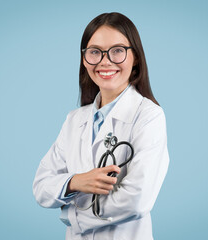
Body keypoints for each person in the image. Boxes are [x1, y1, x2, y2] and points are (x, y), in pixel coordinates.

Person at [33, 12, 169, 240]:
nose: (105, 61)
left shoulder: (149, 115)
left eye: (117, 51)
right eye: (95, 52)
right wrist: (76, 181)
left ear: (135, 57)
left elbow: (137, 201)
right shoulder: (75, 119)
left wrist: (73, 214)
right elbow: (41, 188)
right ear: (84, 59)